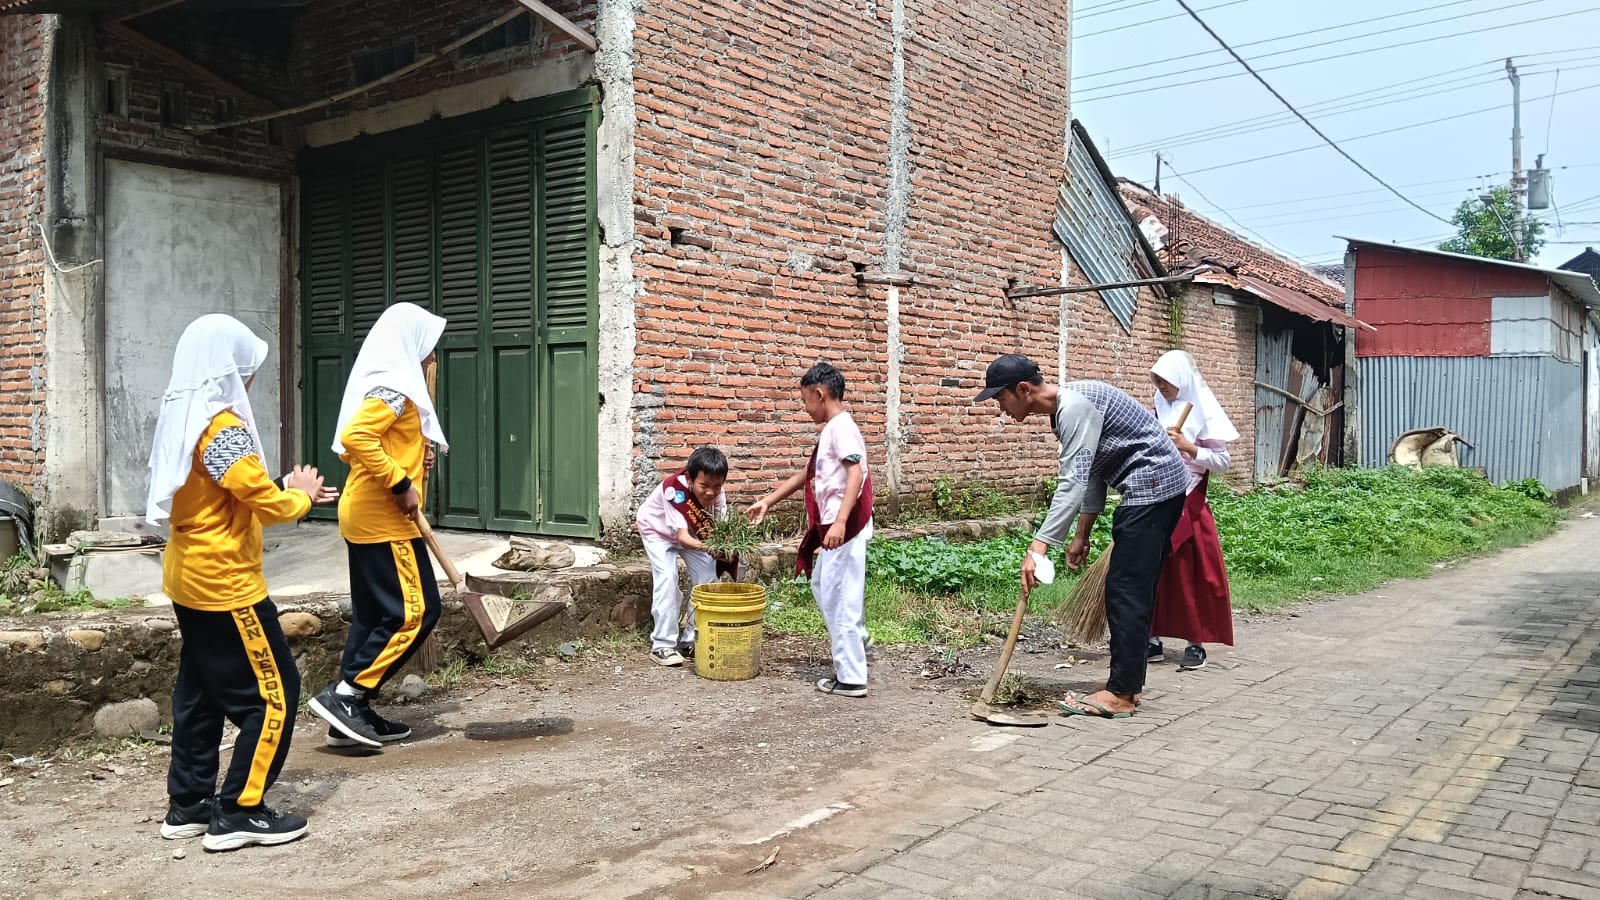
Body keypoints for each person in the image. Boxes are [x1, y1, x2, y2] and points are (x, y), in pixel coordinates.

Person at [147, 314, 336, 852]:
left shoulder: (184, 416)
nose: (250, 377)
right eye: (246, 367)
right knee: (274, 696)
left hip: (189, 577)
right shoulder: (223, 426)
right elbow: (270, 507)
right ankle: (239, 810)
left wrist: (283, 488)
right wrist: (296, 493)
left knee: (201, 695)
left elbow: (224, 496)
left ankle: (188, 805)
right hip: (226, 584)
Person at [975, 353, 1187, 719]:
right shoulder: (1067, 410)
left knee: (1126, 590)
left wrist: (1039, 547)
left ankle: (1121, 694)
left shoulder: (1074, 407)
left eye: (1001, 398)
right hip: (1154, 489)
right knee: (1128, 588)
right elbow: (1091, 474)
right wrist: (1081, 534)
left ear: (1023, 389)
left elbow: (1071, 481)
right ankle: (1127, 688)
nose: (1001, 408)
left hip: (1154, 487)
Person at [308, 302, 447, 750]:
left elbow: (375, 442)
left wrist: (414, 456)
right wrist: (400, 479)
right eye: (427, 348)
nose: (431, 359)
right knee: (416, 611)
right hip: (383, 518)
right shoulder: (393, 385)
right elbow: (356, 437)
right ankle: (347, 695)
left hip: (368, 515)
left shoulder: (391, 383)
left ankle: (351, 715)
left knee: (373, 617)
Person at [749, 362, 874, 698]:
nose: (805, 409)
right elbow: (810, 475)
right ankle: (858, 639)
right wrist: (768, 501)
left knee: (838, 598)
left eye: (805, 401)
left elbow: (856, 474)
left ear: (820, 394)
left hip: (844, 526)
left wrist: (841, 521)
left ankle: (850, 677)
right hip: (838, 525)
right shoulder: (832, 430)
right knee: (823, 585)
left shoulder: (841, 428)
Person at [1146, 350, 1237, 671]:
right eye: (1156, 381)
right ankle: (1152, 638)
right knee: (1155, 571)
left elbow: (1222, 462)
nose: (1161, 387)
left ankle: (1195, 641)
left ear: (1181, 379)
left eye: (1166, 381)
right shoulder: (1158, 404)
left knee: (1192, 573)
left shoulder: (1202, 409)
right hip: (1158, 496)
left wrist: (1189, 447)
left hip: (1190, 501)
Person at [636, 447, 732, 667]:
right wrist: (711, 548)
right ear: (690, 478)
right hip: (658, 532)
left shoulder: (718, 493)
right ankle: (662, 644)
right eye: (704, 486)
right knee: (668, 579)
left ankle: (691, 638)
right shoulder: (675, 491)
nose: (710, 493)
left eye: (716, 486)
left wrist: (726, 548)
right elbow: (682, 537)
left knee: (708, 578)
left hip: (693, 535)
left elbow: (719, 531)